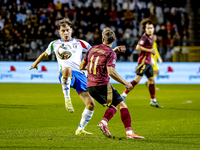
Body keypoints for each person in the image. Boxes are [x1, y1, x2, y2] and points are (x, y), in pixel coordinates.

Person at [29, 18, 95, 135]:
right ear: (59, 32)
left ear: (71, 30)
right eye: (63, 30)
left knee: (91, 104)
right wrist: (36, 63)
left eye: (67, 30)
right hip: (65, 73)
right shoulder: (55, 44)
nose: (65, 33)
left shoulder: (80, 43)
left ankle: (80, 129)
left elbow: (94, 51)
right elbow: (45, 54)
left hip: (80, 74)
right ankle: (67, 99)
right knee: (67, 69)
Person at [79, 27, 145, 139]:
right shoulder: (110, 53)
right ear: (114, 41)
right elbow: (111, 72)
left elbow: (81, 66)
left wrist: (112, 51)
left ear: (103, 38)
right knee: (122, 104)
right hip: (102, 85)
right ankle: (129, 133)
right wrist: (125, 83)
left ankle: (104, 123)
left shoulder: (92, 49)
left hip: (90, 86)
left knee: (114, 105)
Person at [121, 18, 163, 108]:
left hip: (148, 63)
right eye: (148, 28)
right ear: (145, 29)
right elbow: (138, 47)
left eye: (151, 28)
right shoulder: (145, 37)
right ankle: (123, 95)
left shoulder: (151, 38)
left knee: (152, 80)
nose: (150, 29)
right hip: (143, 62)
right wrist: (150, 50)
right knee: (137, 80)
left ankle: (153, 100)